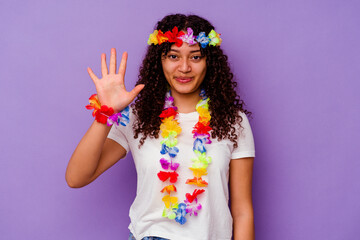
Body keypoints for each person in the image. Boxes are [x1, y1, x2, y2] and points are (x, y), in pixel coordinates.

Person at [66, 14, 255, 240]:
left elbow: (242, 211)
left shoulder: (233, 121)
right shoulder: (138, 118)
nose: (184, 67)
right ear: (160, 61)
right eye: (173, 56)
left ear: (209, 62)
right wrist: (106, 113)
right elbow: (76, 178)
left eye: (195, 57)